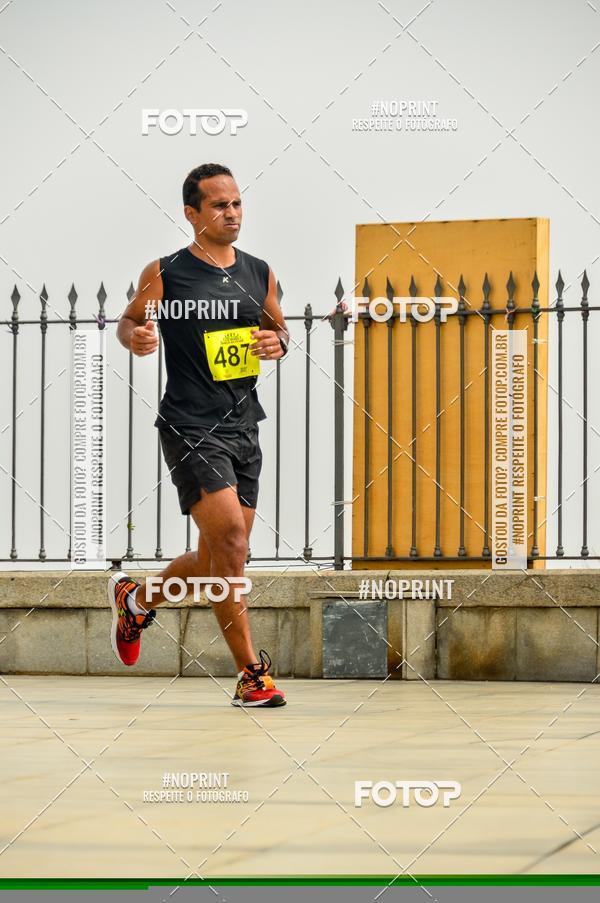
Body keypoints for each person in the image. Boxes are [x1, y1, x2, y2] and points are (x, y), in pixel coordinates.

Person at [107, 163, 289, 708]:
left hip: (243, 425)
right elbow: (129, 321)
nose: (231, 213)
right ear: (192, 214)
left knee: (220, 557)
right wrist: (137, 336)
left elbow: (278, 327)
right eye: (219, 205)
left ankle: (136, 601)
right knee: (231, 541)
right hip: (190, 424)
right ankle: (251, 675)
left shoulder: (259, 272)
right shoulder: (168, 271)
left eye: (236, 203)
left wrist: (277, 342)